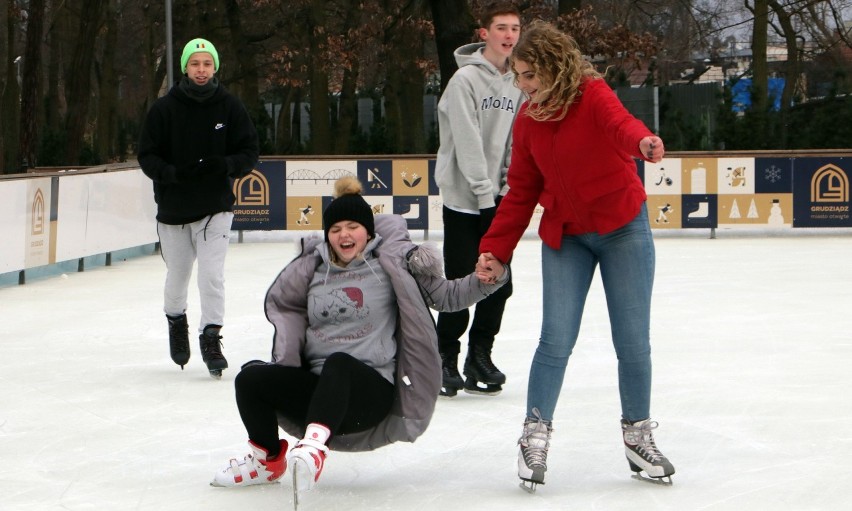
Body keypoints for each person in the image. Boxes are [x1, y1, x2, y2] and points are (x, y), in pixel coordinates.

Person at [210, 176, 508, 489]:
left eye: (352, 226)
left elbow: (448, 297)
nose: (344, 235)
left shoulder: (394, 265)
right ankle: (267, 461)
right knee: (251, 378)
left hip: (369, 395)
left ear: (368, 231)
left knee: (340, 363)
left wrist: (488, 279)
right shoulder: (312, 270)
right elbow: (290, 315)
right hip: (319, 390)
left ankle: (313, 447)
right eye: (335, 229)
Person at [477, 20, 675, 490]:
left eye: (528, 75)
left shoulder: (591, 92)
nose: (522, 86)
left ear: (552, 66)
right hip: (566, 235)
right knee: (555, 339)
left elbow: (620, 124)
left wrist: (643, 142)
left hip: (622, 228)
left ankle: (637, 434)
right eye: (518, 76)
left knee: (632, 342)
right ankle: (534, 435)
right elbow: (521, 192)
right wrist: (495, 251)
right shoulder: (527, 121)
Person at [138, 38, 259, 378]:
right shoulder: (164, 109)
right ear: (185, 68)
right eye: (195, 64)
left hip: (214, 207)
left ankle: (211, 336)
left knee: (211, 275)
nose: (201, 70)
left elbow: (249, 151)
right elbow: (147, 154)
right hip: (174, 209)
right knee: (178, 276)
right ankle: (177, 322)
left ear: (215, 67)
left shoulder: (230, 107)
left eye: (207, 64)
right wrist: (170, 174)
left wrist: (225, 165)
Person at [433, 1, 523, 397]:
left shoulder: (519, 82)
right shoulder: (464, 80)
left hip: (500, 197)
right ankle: (444, 358)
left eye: (515, 29)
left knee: (499, 282)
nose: (509, 35)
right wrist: (485, 193)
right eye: (501, 27)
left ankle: (480, 356)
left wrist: (506, 188)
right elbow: (467, 142)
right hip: (464, 200)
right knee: (461, 281)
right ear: (483, 34)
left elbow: (515, 140)